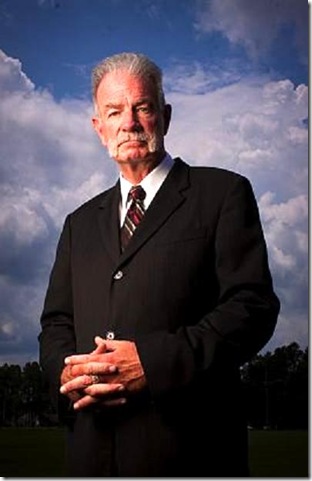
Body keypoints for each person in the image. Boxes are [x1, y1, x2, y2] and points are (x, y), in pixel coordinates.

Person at [39, 52, 280, 477]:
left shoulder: (223, 193)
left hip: (190, 453)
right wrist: (70, 375)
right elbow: (57, 322)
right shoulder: (78, 223)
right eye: (114, 111)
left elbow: (252, 307)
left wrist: (151, 362)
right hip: (91, 454)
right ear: (99, 128)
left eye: (142, 107)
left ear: (164, 116)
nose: (128, 122)